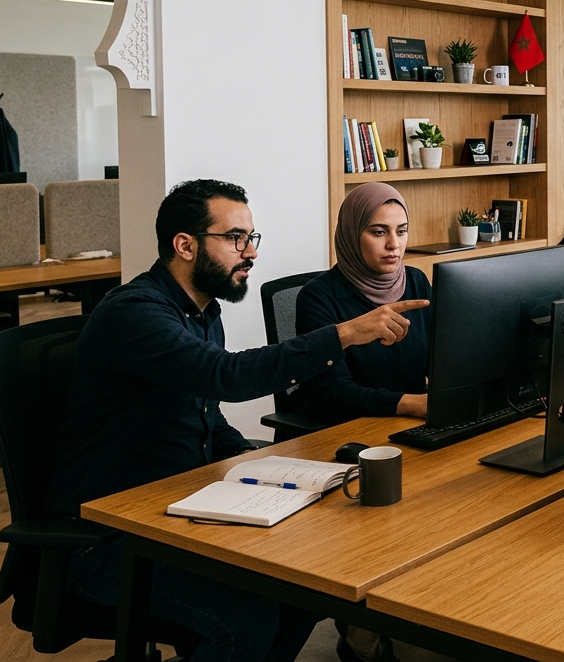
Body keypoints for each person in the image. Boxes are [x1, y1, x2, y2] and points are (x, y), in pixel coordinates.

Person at [52, 179, 427, 662]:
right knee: (244, 623)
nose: (249, 252)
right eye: (234, 239)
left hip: (178, 507)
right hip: (106, 536)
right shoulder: (136, 313)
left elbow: (204, 416)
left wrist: (262, 463)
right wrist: (343, 335)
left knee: (309, 587)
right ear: (184, 245)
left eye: (252, 238)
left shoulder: (201, 309)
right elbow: (223, 377)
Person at [293, 183, 431, 421]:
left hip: (414, 420)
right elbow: (332, 390)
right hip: (348, 427)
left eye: (401, 231)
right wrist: (411, 404)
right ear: (351, 233)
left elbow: (441, 359)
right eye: (379, 232)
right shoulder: (318, 297)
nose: (394, 245)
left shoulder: (416, 281)